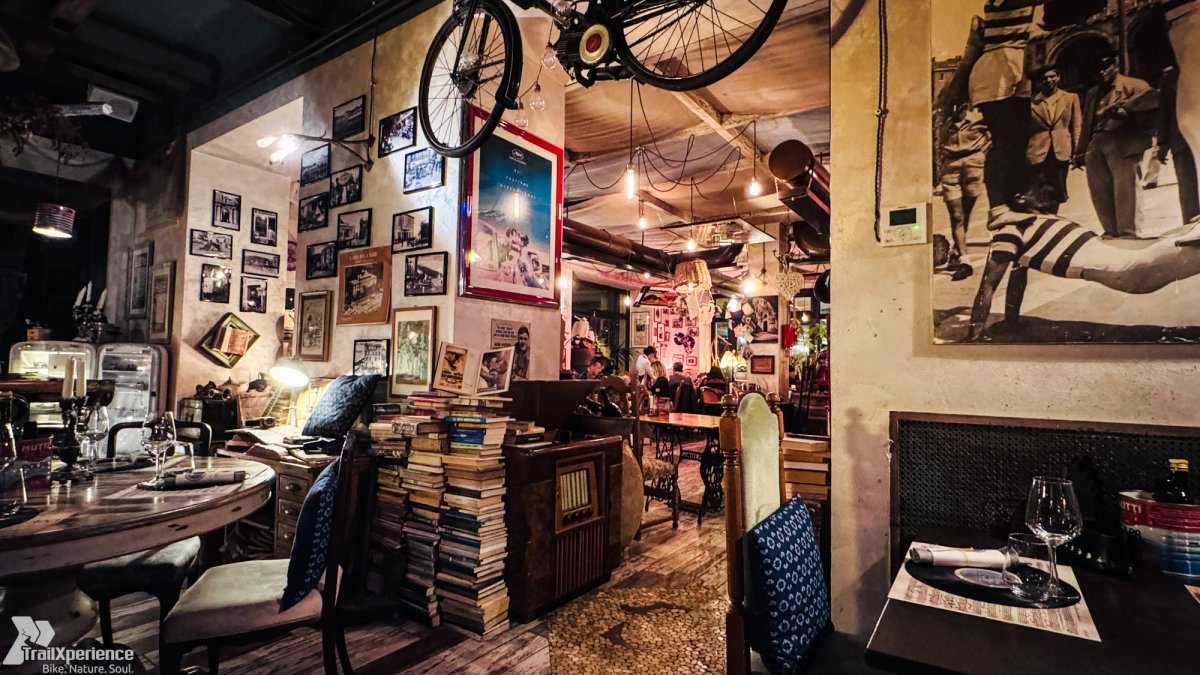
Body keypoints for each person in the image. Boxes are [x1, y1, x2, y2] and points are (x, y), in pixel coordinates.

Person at [966, 207, 1200, 340]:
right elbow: (998, 283)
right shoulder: (1020, 229)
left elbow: (999, 283)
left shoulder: (1028, 225)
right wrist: (980, 332)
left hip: (1127, 266)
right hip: (1127, 267)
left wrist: (993, 328)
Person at [967, 0, 1042, 220]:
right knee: (1004, 140)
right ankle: (997, 206)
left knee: (1020, 140)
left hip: (1019, 69)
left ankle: (1016, 198)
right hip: (996, 70)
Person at [1076, 53, 1159, 238]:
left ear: (1115, 65)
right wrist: (1081, 150)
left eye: (1106, 67)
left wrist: (1126, 114)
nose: (1102, 72)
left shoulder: (1136, 85)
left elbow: (1150, 114)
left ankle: (1129, 232)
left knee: (1126, 188)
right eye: (1097, 69)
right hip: (1096, 141)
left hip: (1123, 140)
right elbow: (1086, 122)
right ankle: (1111, 231)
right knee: (1100, 190)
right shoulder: (1093, 92)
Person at [939, 102, 991, 280]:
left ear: (965, 106)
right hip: (951, 169)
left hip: (973, 168)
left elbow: (992, 137)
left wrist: (983, 154)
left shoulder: (978, 119)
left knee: (966, 213)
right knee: (956, 215)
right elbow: (937, 146)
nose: (956, 110)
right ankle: (965, 260)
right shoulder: (945, 123)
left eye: (960, 106)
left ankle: (957, 250)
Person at [1026, 67, 1081, 214]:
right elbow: (1024, 130)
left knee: (1058, 190)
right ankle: (1043, 217)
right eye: (1044, 78)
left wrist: (1077, 151)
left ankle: (1053, 216)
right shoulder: (1031, 102)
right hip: (1038, 152)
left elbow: (1076, 126)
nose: (1048, 80)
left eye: (1052, 77)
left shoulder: (1071, 98)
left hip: (1060, 151)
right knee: (1040, 190)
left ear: (1058, 77)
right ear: (1039, 82)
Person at [1156, 66, 1200, 224]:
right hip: (1181, 141)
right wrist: (1162, 144)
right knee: (1187, 186)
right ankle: (1191, 225)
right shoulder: (1169, 78)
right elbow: (1164, 113)